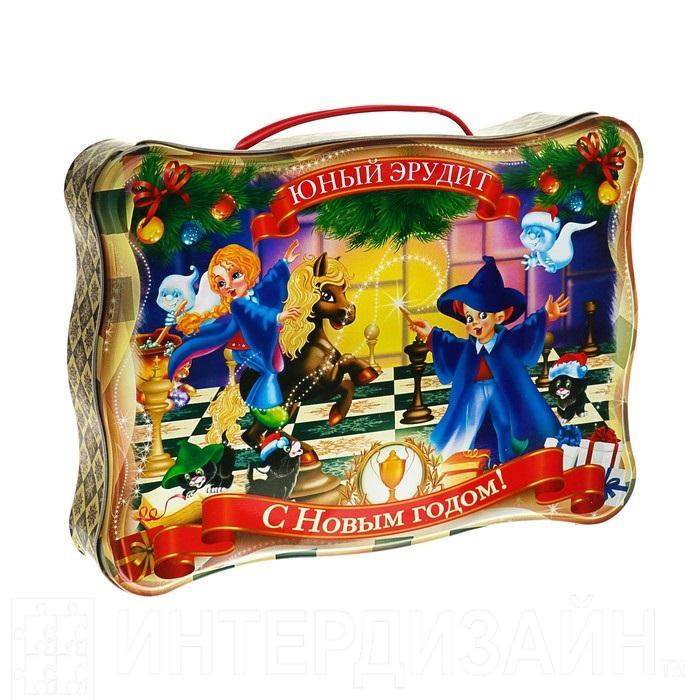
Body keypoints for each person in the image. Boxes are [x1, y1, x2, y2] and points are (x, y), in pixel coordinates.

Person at [409, 256, 566, 462]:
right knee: (469, 426)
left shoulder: (508, 342)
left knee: (505, 423)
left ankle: (510, 459)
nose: (475, 323)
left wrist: (545, 316)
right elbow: (450, 347)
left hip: (502, 393)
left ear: (499, 317)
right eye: (469, 318)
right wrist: (430, 335)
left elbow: (526, 332)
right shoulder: (468, 349)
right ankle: (474, 460)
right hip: (473, 394)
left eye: (482, 316)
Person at [168, 241, 301, 429]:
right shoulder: (238, 304)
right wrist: (277, 316)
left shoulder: (253, 292)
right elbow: (256, 312)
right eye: (221, 283)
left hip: (255, 345)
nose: (229, 285)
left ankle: (262, 401)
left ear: (249, 272)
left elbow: (269, 283)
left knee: (277, 366)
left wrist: (284, 262)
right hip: (243, 349)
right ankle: (262, 406)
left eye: (235, 275)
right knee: (271, 369)